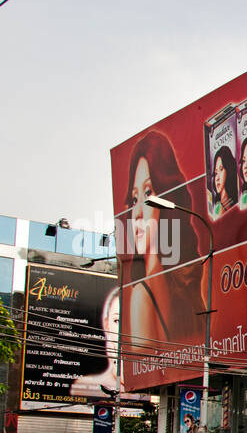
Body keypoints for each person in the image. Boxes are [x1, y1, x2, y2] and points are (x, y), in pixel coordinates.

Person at [120, 130, 206, 357]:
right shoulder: (179, 288)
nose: (137, 212)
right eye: (134, 198)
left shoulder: (142, 297)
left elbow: (144, 365)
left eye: (149, 193)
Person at [70, 288, 121, 398]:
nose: (124, 330)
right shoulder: (85, 386)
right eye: (118, 321)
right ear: (107, 325)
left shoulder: (147, 390)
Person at [209, 145, 237, 217]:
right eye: (215, 173)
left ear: (228, 169)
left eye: (221, 169)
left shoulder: (237, 200)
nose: (217, 178)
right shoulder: (216, 210)